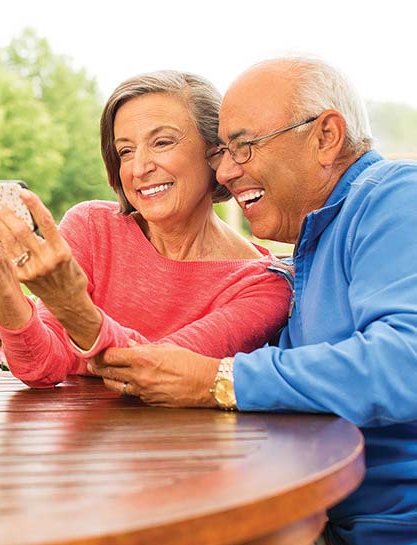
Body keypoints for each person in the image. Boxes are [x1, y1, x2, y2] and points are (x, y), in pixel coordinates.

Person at [89, 58, 417, 545]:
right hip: (320, 515)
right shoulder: (310, 249)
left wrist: (219, 380)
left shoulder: (395, 196)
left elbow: (403, 362)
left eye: (242, 146)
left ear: (326, 136)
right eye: (222, 150)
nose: (224, 169)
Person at [0, 70, 290, 388]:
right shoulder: (92, 228)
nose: (139, 168)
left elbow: (150, 371)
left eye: (162, 142)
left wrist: (70, 305)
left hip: (189, 448)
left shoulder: (263, 283)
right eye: (125, 151)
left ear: (215, 152)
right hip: (89, 446)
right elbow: (40, 367)